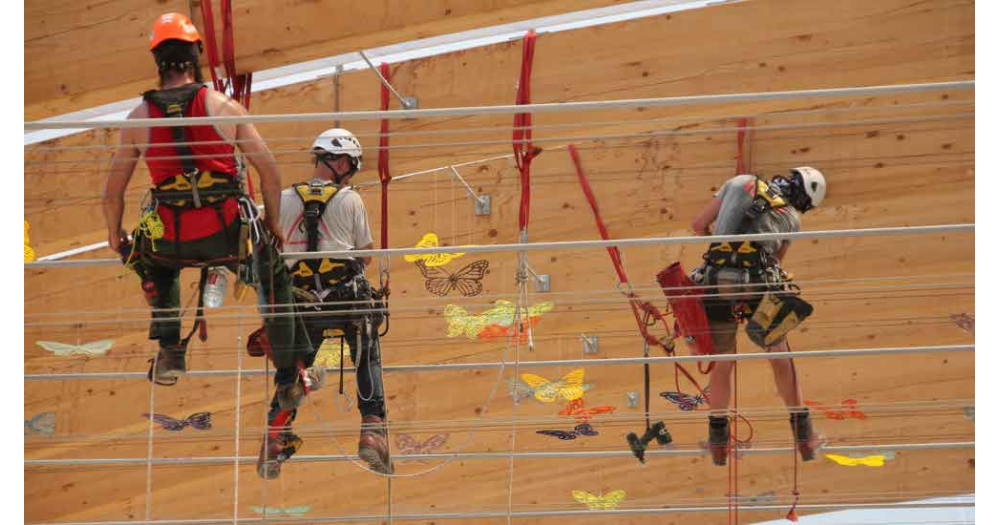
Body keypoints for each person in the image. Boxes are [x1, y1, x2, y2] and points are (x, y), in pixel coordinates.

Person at [102, 13, 309, 410]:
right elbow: (269, 170)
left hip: (173, 238)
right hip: (230, 234)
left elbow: (112, 194)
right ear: (195, 53)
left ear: (157, 59)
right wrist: (272, 224)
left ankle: (169, 349)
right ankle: (287, 376)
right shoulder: (223, 107)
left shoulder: (137, 120)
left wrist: (116, 235)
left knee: (153, 264)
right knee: (273, 277)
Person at [256, 128, 392, 478]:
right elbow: (365, 257)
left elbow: (273, 251)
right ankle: (372, 430)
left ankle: (275, 437)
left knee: (295, 364)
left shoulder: (284, 199)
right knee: (366, 350)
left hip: (301, 302)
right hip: (346, 299)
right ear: (342, 161)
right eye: (352, 166)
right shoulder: (350, 200)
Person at [688, 167, 827, 466]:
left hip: (716, 279)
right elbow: (775, 264)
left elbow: (698, 225)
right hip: (757, 282)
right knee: (780, 358)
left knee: (722, 364)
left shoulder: (737, 181)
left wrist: (721, 247)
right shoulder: (792, 218)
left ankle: (718, 445)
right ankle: (805, 438)